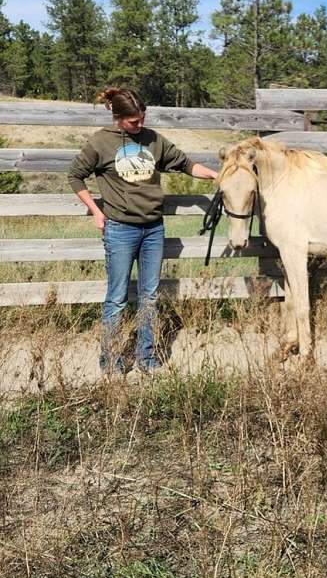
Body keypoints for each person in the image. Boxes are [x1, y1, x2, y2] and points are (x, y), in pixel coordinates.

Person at [68, 87, 218, 373]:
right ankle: (110, 362)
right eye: (133, 121)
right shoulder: (100, 143)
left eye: (142, 119)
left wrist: (213, 174)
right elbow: (74, 176)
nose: (140, 125)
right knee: (117, 297)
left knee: (149, 296)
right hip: (120, 230)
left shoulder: (153, 140)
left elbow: (185, 164)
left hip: (153, 230)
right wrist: (97, 212)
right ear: (117, 117)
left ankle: (146, 358)